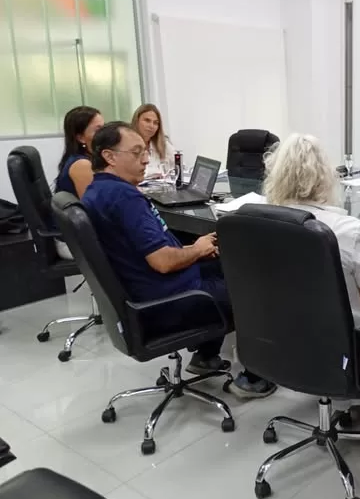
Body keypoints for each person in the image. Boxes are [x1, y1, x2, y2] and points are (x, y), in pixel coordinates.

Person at [82, 121, 275, 398]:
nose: (145, 159)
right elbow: (162, 262)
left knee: (229, 265)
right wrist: (196, 249)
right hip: (168, 299)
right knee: (256, 289)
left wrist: (197, 248)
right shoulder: (124, 198)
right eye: (136, 153)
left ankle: (205, 356)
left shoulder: (97, 191)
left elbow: (147, 251)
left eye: (145, 152)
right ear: (109, 157)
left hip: (146, 290)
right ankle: (255, 378)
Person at [263, 133, 360, 381]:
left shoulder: (262, 221)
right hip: (345, 350)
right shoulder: (348, 231)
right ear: (325, 176)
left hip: (286, 337)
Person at [54, 106, 104, 260]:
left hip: (79, 234)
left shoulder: (87, 159)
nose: (105, 134)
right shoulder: (82, 165)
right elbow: (95, 211)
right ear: (81, 138)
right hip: (74, 242)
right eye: (98, 130)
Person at [131, 103, 176, 179]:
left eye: (155, 123)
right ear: (137, 121)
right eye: (147, 120)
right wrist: (158, 173)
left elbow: (179, 167)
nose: (151, 126)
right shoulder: (126, 145)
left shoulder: (163, 143)